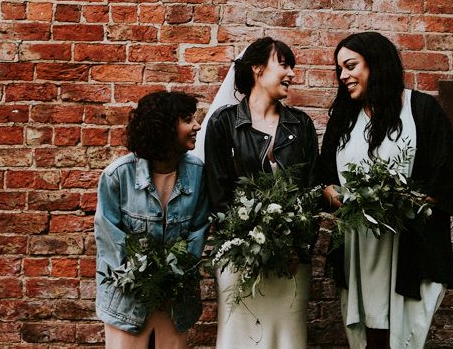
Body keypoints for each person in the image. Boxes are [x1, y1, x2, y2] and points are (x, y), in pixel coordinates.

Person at [319, 31, 453, 349]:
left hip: (409, 245)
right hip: (359, 247)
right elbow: (323, 180)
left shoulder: (423, 111)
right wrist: (335, 196)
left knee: (404, 338)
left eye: (350, 65)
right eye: (339, 69)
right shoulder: (344, 119)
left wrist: (396, 202)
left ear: (376, 64)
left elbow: (448, 183)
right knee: (369, 336)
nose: (343, 75)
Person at [204, 36, 319, 348]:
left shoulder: (301, 125)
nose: (292, 73)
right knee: (239, 336)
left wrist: (297, 245)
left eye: (292, 66)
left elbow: (311, 190)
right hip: (241, 256)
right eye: (283, 64)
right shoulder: (224, 123)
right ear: (256, 69)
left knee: (288, 336)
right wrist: (244, 243)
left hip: (291, 259)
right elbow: (218, 191)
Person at [95, 90, 210, 348]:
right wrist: (146, 281)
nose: (197, 125)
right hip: (128, 303)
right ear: (164, 127)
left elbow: (198, 230)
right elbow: (109, 238)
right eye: (187, 119)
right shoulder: (118, 176)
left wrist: (172, 277)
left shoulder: (198, 173)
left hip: (175, 303)